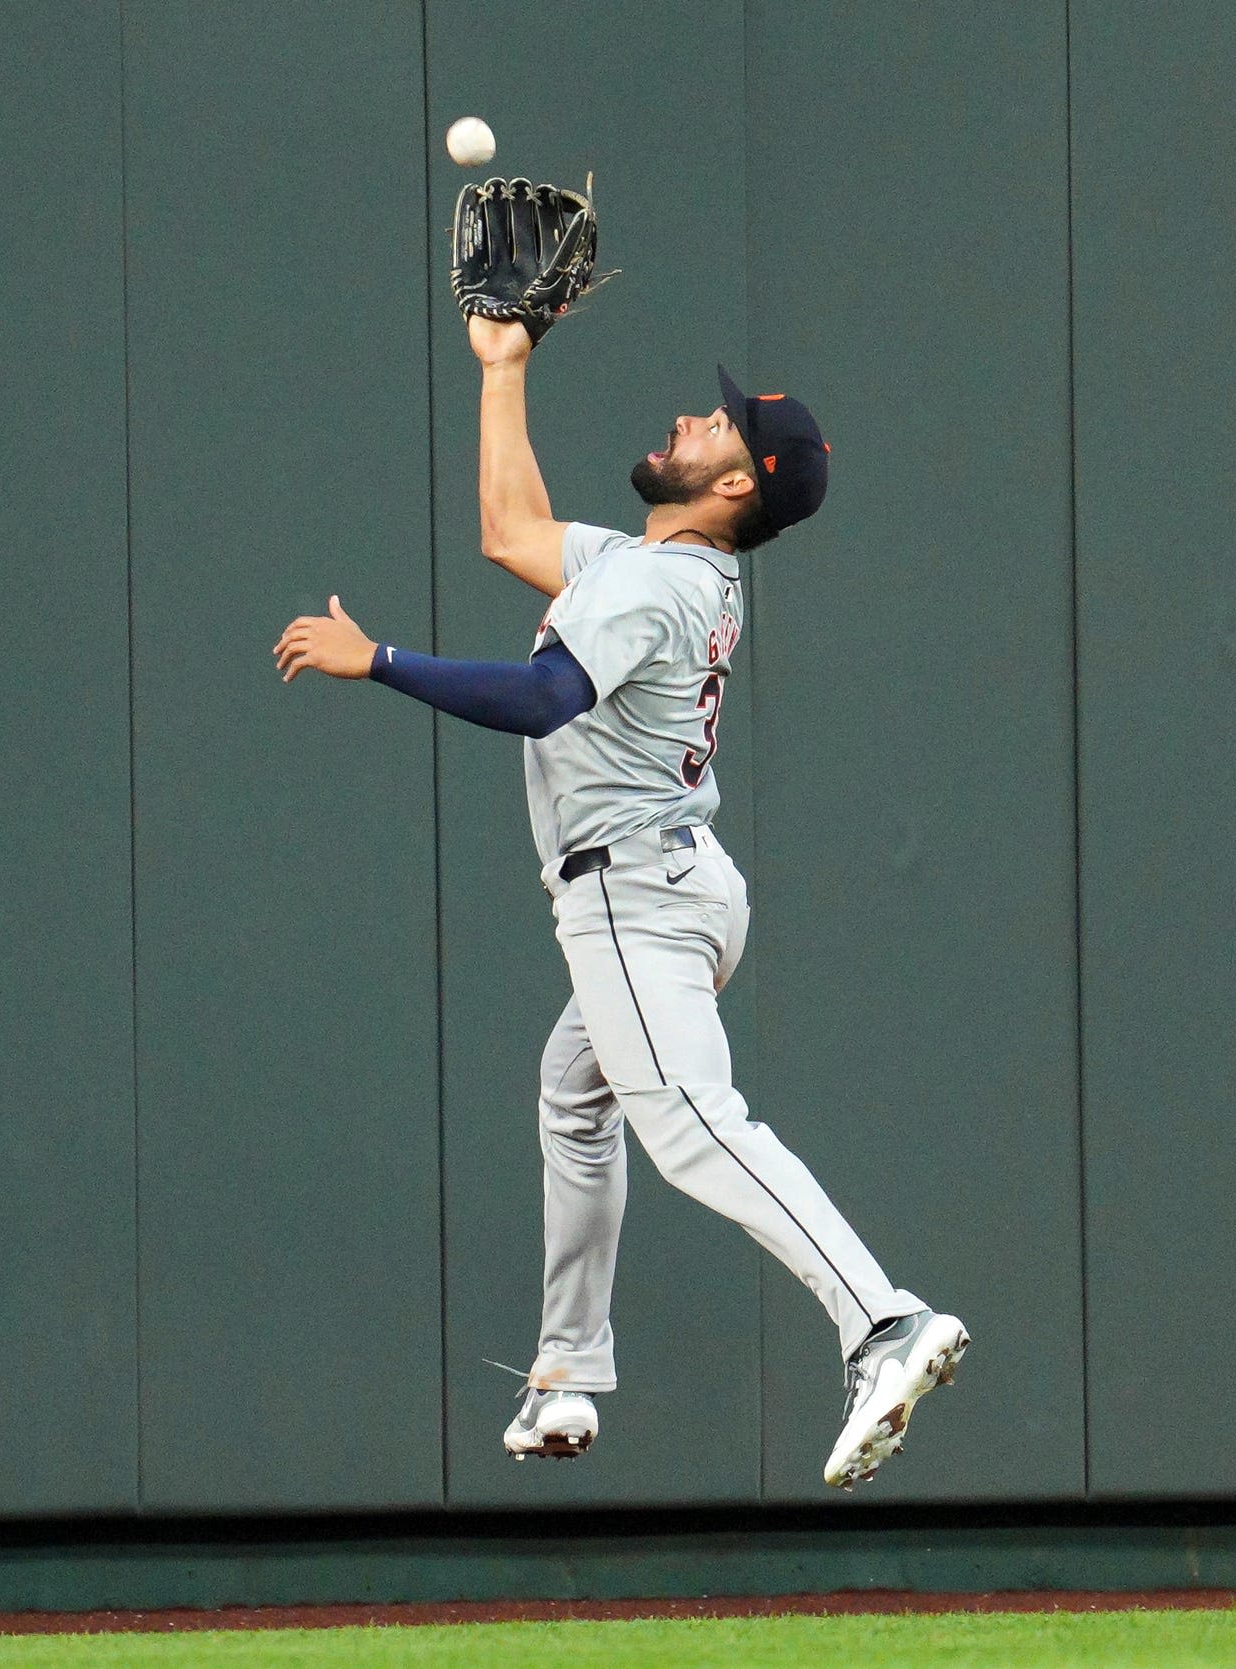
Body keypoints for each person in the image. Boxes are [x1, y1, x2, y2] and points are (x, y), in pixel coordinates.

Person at [272, 315, 967, 1490]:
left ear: (738, 479)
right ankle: (567, 1376)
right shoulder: (664, 568)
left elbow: (546, 696)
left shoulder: (649, 584)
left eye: (719, 425)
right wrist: (506, 371)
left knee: (693, 1125)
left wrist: (380, 659)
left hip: (635, 898)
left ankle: (883, 1322)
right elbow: (512, 532)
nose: (693, 418)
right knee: (574, 1096)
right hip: (673, 882)